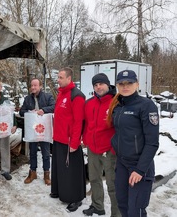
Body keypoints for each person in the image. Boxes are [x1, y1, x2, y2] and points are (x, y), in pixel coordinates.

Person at [107, 70, 159, 217]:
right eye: (121, 83)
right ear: (117, 85)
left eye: (129, 83)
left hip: (139, 166)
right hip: (122, 164)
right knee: (122, 204)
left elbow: (152, 143)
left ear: (137, 84)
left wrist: (140, 170)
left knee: (136, 210)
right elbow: (118, 132)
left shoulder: (146, 106)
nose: (125, 86)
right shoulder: (118, 106)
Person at [82, 73, 121, 217]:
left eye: (101, 84)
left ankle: (116, 213)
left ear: (108, 84)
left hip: (110, 150)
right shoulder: (89, 103)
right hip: (93, 148)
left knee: (112, 184)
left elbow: (120, 127)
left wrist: (114, 146)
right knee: (94, 178)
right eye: (95, 85)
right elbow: (86, 124)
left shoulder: (116, 102)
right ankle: (97, 206)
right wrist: (85, 139)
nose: (98, 87)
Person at [50, 67, 86, 212]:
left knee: (71, 171)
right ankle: (60, 190)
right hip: (58, 138)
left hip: (70, 140)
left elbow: (79, 121)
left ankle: (75, 198)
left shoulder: (76, 96)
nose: (58, 80)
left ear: (69, 79)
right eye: (57, 77)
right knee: (60, 168)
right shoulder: (61, 93)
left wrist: (75, 142)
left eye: (60, 77)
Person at [19, 78, 55, 185]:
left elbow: (54, 107)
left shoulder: (47, 97)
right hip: (32, 130)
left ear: (40, 86)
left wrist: (43, 110)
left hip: (44, 129)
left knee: (46, 153)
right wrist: (30, 112)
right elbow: (21, 111)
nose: (33, 87)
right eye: (32, 85)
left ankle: (46, 174)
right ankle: (33, 172)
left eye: (35, 85)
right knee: (33, 152)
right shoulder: (27, 99)